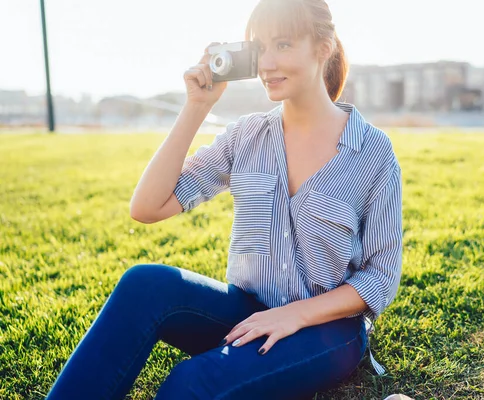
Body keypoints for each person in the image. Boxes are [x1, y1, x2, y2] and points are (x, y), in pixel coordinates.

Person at [46, 0, 403, 398]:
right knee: (144, 284)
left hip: (327, 331)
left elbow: (380, 278)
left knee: (190, 382)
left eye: (282, 45)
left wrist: (293, 315)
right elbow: (147, 207)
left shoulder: (372, 151)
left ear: (323, 48)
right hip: (247, 313)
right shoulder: (245, 137)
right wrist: (197, 106)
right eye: (259, 48)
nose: (266, 64)